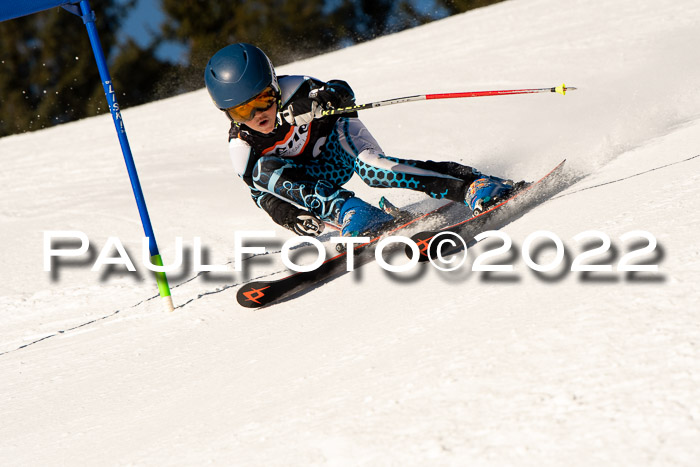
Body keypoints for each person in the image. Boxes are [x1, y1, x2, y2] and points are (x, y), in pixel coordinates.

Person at [204, 43, 521, 237]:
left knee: (375, 171)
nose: (256, 114)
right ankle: (356, 213)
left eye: (262, 100)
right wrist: (287, 216)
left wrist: (324, 99)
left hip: (338, 144)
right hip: (316, 179)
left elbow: (344, 92)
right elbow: (260, 195)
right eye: (241, 111)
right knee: (263, 174)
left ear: (274, 86)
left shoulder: (297, 89)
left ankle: (472, 185)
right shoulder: (243, 148)